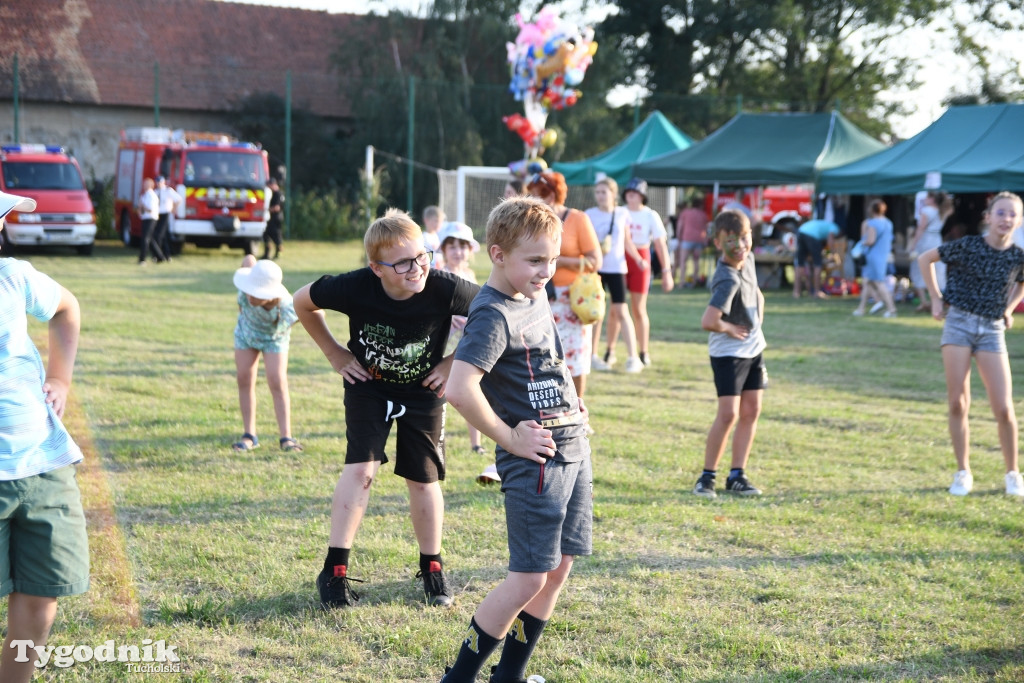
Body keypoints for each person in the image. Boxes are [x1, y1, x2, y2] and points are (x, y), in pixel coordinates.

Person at [293, 209, 479, 609]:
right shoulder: (354, 287)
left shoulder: (445, 287)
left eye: (423, 255)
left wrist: (452, 363)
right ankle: (334, 572)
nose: (418, 268)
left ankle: (432, 567)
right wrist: (334, 353)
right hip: (368, 387)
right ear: (376, 268)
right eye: (403, 263)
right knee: (361, 470)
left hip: (423, 391)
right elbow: (301, 301)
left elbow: (495, 313)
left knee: (423, 479)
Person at [442, 196, 592, 683]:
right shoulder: (490, 315)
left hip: (571, 446)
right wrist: (509, 438)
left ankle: (511, 677)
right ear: (497, 254)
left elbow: (548, 358)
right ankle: (457, 678)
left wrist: (573, 406)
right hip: (536, 461)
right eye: (534, 261)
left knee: (558, 569)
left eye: (551, 259)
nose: (546, 271)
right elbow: (459, 388)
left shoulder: (534, 292)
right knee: (528, 577)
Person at [0, 190, 90, 681]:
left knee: (41, 593)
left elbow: (66, 308)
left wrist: (60, 377)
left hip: (42, 463)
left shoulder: (13, 277)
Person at [917, 191, 1024, 498]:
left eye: (1012, 214)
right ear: (988, 217)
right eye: (1000, 213)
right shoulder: (968, 245)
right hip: (959, 324)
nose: (1006, 219)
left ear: (1019, 221)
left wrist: (1008, 308)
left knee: (1003, 408)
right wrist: (936, 299)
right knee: (957, 403)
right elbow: (926, 258)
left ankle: (1013, 473)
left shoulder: (1018, 256)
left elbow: (1021, 284)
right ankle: (963, 471)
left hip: (992, 330)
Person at [693, 208, 766, 499]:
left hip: (753, 349)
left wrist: (758, 327)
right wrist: (728, 328)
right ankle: (706, 478)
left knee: (752, 410)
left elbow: (758, 293)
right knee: (728, 414)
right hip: (729, 354)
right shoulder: (727, 278)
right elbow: (708, 321)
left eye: (744, 237)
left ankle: (737, 475)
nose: (740, 245)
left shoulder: (748, 260)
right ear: (719, 243)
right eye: (731, 240)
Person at [526, 171, 602, 398]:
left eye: (537, 195)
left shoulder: (578, 219)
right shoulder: (533, 222)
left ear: (551, 196)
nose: (532, 200)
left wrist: (556, 260)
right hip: (540, 294)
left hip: (572, 298)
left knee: (576, 357)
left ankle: (578, 408)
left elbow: (595, 261)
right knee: (544, 355)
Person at [231, 255, 302, 453]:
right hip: (246, 334)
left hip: (274, 339)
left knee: (277, 382)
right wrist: (251, 267)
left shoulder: (287, 305)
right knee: (244, 379)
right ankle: (249, 435)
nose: (250, 295)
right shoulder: (246, 288)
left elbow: (313, 314)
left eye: (256, 293)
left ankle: (286, 437)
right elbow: (248, 259)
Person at [436, 221, 488, 459]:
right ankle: (436, 435)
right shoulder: (439, 275)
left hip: (466, 343)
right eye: (452, 246)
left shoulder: (469, 275)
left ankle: (476, 443)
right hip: (443, 343)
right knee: (439, 390)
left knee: (472, 389)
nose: (458, 251)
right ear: (444, 250)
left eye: (462, 246)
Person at [583, 177, 643, 374]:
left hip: (617, 268)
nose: (600, 196)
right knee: (595, 313)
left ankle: (633, 357)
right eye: (598, 192)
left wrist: (638, 259)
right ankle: (592, 355)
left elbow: (627, 241)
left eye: (604, 192)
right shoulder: (589, 214)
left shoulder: (622, 213)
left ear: (613, 194)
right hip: (596, 267)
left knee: (621, 311)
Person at [622, 178, 673, 366]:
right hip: (621, 258)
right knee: (617, 308)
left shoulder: (650, 215)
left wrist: (666, 271)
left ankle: (643, 351)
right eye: (628, 192)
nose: (630, 196)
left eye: (634, 193)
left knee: (638, 308)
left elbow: (660, 245)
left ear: (642, 195)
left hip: (642, 259)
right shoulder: (621, 212)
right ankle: (609, 351)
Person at [851, 199, 897, 318]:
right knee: (868, 282)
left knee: (878, 282)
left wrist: (861, 244)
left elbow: (870, 241)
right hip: (883, 255)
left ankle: (892, 309)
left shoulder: (872, 223)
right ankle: (861, 309)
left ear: (872, 209)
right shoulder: (888, 223)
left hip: (873, 256)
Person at [909, 191, 948, 311]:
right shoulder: (942, 211)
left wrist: (913, 245)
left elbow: (920, 229)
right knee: (938, 269)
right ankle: (937, 299)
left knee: (920, 267)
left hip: (925, 241)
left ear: (932, 199)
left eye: (927, 198)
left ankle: (924, 301)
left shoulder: (926, 211)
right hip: (937, 240)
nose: (925, 200)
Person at [792, 217, 841, 299]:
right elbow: (830, 241)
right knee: (818, 265)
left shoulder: (825, 224)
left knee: (800, 264)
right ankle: (817, 292)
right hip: (812, 236)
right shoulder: (835, 228)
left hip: (801, 231)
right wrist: (834, 254)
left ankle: (796, 292)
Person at [675, 197, 710, 289]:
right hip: (699, 240)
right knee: (696, 261)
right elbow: (706, 228)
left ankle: (682, 282)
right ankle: (694, 282)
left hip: (686, 239)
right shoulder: (703, 214)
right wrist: (705, 240)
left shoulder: (685, 213)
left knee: (683, 261)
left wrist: (679, 238)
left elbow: (680, 226)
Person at [136, 177, 164, 265]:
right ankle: (160, 256)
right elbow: (141, 208)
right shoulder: (144, 195)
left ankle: (142, 259)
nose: (144, 185)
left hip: (150, 218)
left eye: (145, 184)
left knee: (145, 238)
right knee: (150, 239)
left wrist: (142, 206)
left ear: (150, 185)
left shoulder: (151, 195)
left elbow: (150, 209)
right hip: (146, 218)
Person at [153, 175, 182, 262]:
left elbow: (179, 199)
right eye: (157, 182)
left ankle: (158, 255)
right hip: (157, 214)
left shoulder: (168, 190)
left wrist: (174, 208)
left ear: (163, 182)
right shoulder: (155, 191)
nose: (158, 184)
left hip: (165, 214)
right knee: (164, 236)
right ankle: (166, 254)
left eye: (160, 182)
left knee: (159, 235)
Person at [262, 177, 285, 260]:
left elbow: (277, 207)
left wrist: (266, 210)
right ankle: (267, 253)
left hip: (276, 218)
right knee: (266, 234)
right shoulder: (274, 193)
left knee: (276, 236)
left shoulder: (278, 194)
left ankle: (278, 252)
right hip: (273, 218)